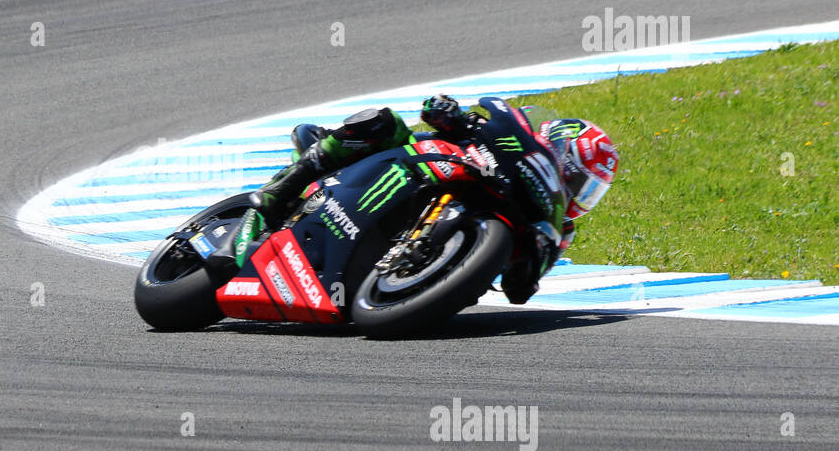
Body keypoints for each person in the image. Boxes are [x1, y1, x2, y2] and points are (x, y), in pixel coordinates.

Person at [212, 95, 617, 304]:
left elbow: (518, 289)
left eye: (589, 189)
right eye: (579, 175)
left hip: (438, 248)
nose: (579, 190)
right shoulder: (511, 142)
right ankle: (276, 194)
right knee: (383, 123)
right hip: (419, 162)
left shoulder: (556, 229)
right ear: (558, 147)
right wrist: (448, 114)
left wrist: (527, 274)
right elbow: (437, 115)